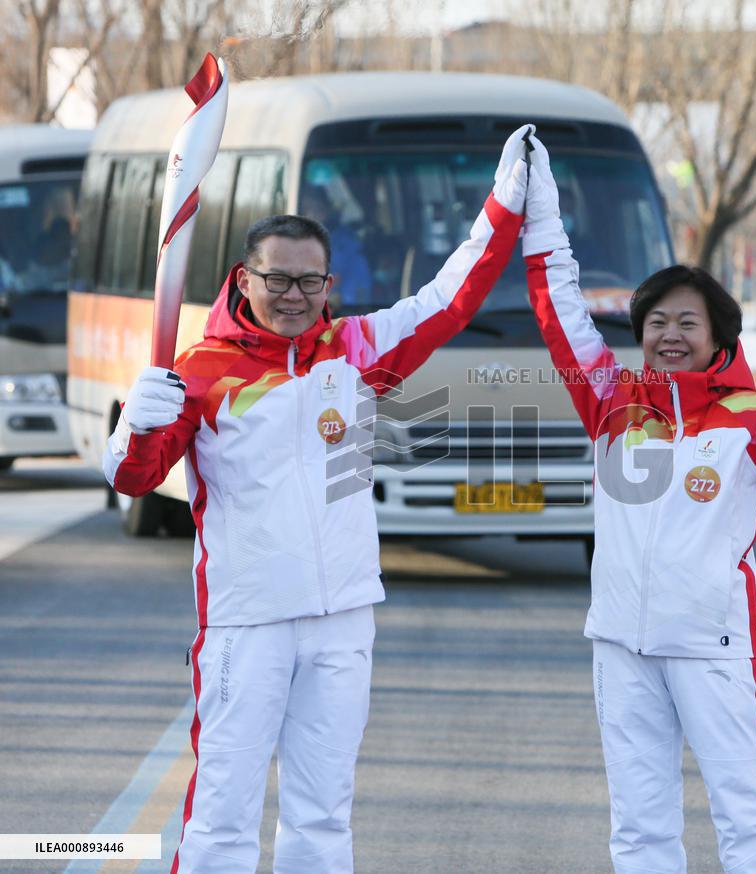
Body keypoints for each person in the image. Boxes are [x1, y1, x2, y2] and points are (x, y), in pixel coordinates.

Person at [102, 125, 533, 874]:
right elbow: (136, 480)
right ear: (245, 279)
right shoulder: (199, 372)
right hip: (247, 624)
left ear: (330, 285)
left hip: (342, 621)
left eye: (311, 282)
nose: (296, 297)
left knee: (323, 815)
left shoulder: (358, 351)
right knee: (223, 814)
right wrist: (132, 428)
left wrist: (502, 207)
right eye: (279, 280)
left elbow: (451, 299)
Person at [520, 134, 756, 874]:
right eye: (657, 321)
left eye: (687, 323)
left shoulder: (752, 419)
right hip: (621, 647)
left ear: (719, 337)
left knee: (747, 814)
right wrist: (539, 216)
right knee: (638, 826)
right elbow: (558, 311)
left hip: (712, 651)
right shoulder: (612, 402)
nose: (668, 334)